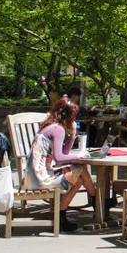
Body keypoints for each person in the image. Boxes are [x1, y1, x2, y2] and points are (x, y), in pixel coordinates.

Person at [23, 96, 96, 231]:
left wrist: (72, 134)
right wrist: (79, 155)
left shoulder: (49, 126)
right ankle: (97, 202)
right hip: (40, 179)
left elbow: (65, 153)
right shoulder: (58, 129)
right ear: (66, 115)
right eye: (73, 116)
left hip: (32, 177)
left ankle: (63, 216)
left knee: (79, 179)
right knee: (81, 167)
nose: (74, 119)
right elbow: (59, 157)